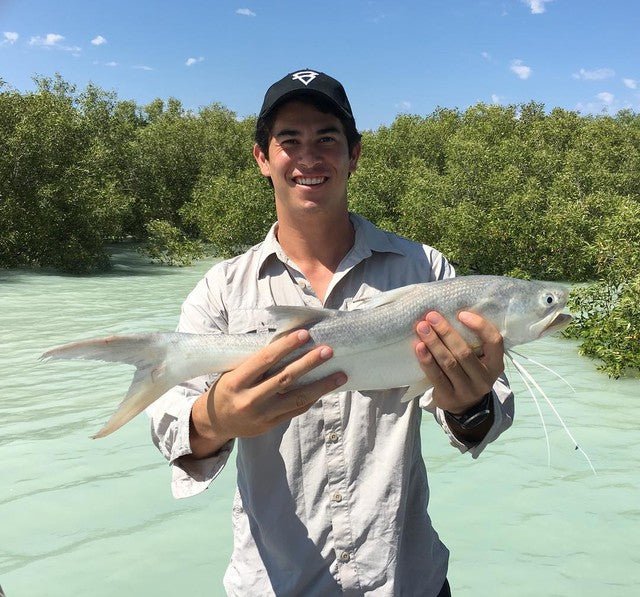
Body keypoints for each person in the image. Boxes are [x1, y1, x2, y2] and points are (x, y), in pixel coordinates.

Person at [147, 69, 514, 596]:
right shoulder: (221, 288)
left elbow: (486, 418)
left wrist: (469, 404)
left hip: (405, 579)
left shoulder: (426, 270)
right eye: (289, 141)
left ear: (353, 154)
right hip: (276, 583)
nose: (309, 157)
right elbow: (170, 430)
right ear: (262, 158)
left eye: (326, 138)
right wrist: (217, 418)